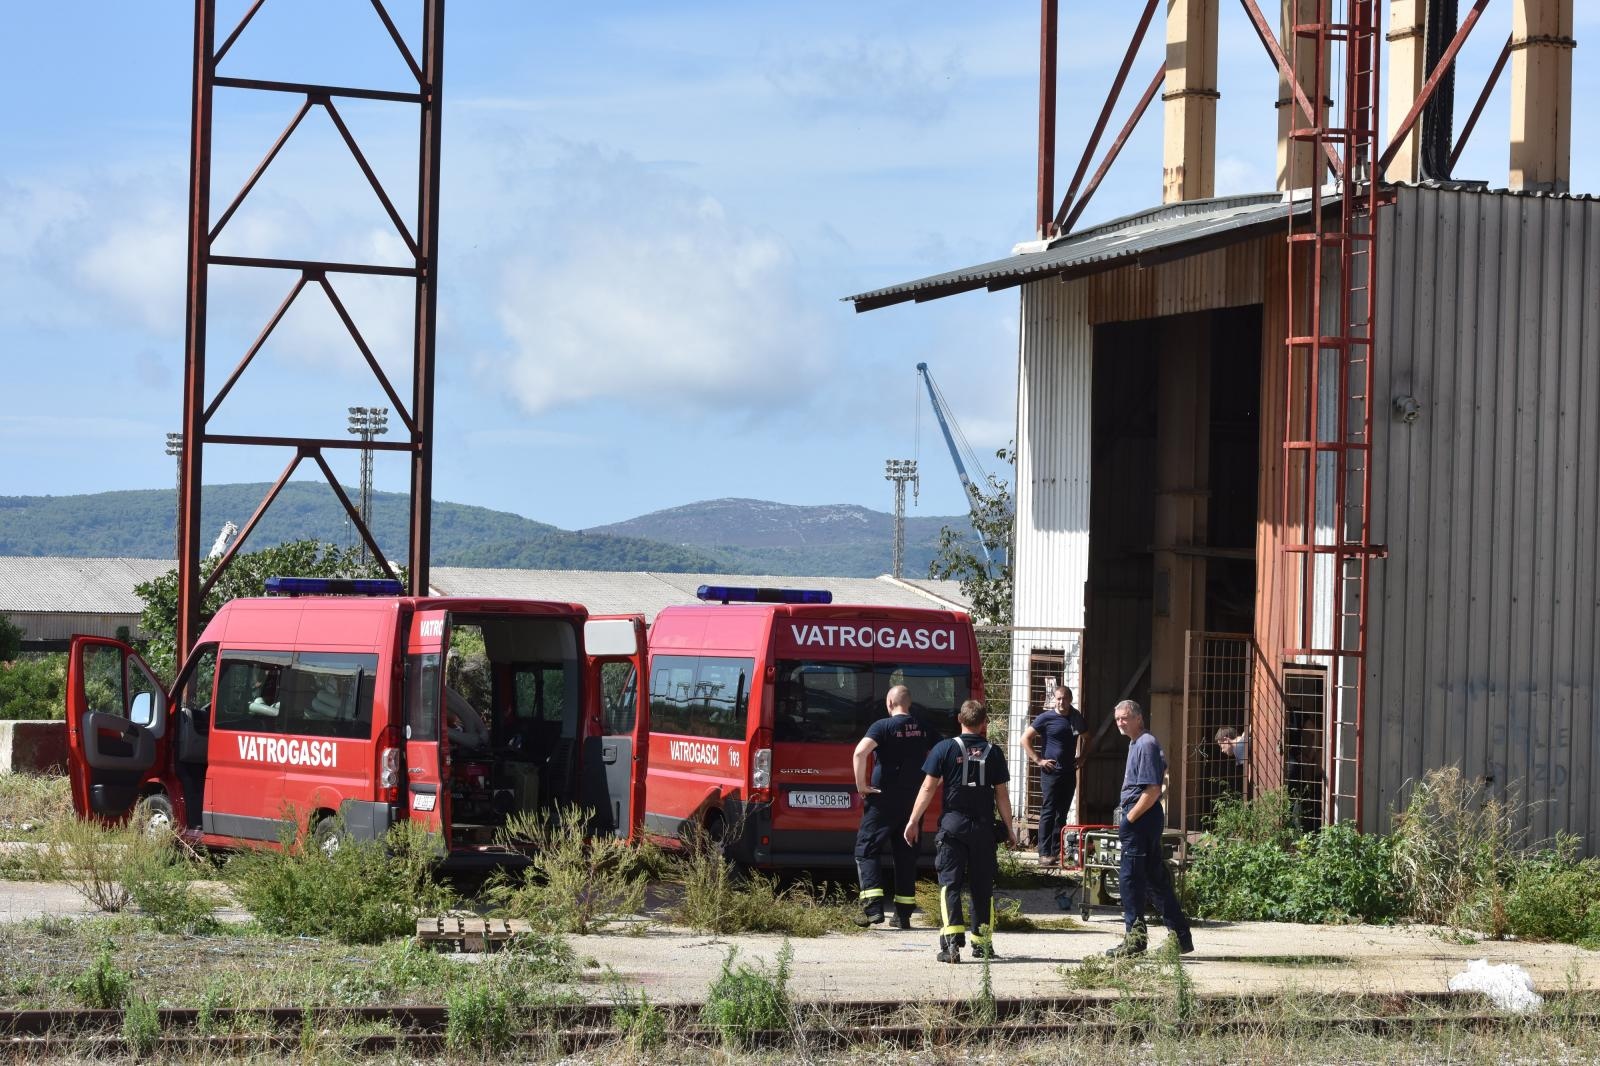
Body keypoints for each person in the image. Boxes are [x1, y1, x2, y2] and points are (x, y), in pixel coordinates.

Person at [905, 699, 1016, 963]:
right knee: (982, 887)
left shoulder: (943, 749)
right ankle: (983, 944)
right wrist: (1010, 829)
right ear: (984, 723)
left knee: (950, 885)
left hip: (953, 828)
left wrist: (913, 820)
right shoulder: (994, 753)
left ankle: (952, 945)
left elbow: (927, 788)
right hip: (983, 830)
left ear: (959, 720)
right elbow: (1002, 795)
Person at [1108, 699, 1193, 958]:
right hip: (1144, 819)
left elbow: (1153, 789)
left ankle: (1135, 940)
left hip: (1141, 820)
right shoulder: (1139, 743)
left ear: (1138, 718)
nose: (1120, 723)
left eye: (1125, 717)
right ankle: (1180, 937)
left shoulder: (1145, 743)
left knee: (1131, 880)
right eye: (1117, 719)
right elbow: (1163, 771)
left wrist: (1129, 818)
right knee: (1155, 879)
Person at [851, 684, 934, 929]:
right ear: (909, 704)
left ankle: (873, 910)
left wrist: (861, 785)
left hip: (883, 798)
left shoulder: (882, 726)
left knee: (866, 849)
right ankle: (904, 915)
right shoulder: (922, 726)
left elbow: (859, 754)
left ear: (889, 703)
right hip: (914, 800)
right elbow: (943, 749)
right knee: (906, 854)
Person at [1021, 681, 1087, 866]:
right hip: (1051, 773)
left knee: (1062, 813)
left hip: (1068, 772)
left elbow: (1089, 738)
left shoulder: (1076, 718)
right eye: (1058, 699)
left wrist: (1082, 757)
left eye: (1065, 699)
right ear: (1054, 700)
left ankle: (1057, 853)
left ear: (1071, 700)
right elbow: (1025, 739)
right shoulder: (1046, 718)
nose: (1061, 702)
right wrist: (1038, 760)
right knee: (1048, 811)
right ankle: (1044, 853)